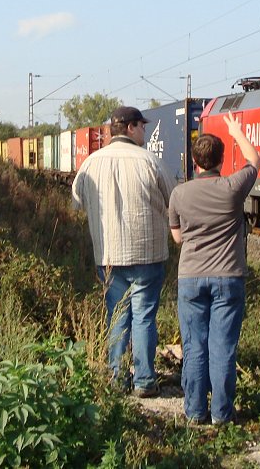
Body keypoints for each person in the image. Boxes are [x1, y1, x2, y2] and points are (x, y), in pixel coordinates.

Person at [71, 106, 174, 397]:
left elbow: (76, 201)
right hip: (148, 254)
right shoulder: (151, 162)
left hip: (108, 256)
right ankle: (144, 380)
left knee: (116, 316)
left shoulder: (91, 163)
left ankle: (117, 378)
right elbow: (174, 200)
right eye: (142, 126)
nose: (145, 131)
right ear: (130, 127)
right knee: (143, 317)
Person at [168, 111, 260, 424]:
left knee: (195, 347)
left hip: (191, 277)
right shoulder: (233, 186)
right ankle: (222, 414)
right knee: (223, 347)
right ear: (221, 160)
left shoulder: (180, 193)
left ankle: (194, 412)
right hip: (228, 276)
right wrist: (236, 131)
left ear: (195, 161)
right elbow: (254, 160)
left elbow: (178, 238)